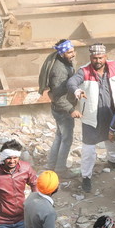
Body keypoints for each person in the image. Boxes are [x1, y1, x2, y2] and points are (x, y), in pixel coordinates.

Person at [66, 43, 115, 193]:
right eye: (94, 58)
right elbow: (71, 83)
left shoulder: (113, 66)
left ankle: (113, 160)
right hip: (92, 117)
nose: (97, 61)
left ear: (105, 57)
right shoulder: (84, 71)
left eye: (100, 57)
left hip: (111, 113)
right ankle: (86, 176)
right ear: (90, 57)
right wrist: (77, 91)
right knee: (89, 149)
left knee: (112, 139)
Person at [38, 39, 77, 173]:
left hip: (59, 108)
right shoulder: (60, 71)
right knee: (66, 140)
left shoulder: (62, 60)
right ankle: (61, 169)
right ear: (62, 54)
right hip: (63, 110)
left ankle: (51, 165)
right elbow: (58, 97)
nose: (73, 54)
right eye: (69, 52)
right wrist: (71, 110)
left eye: (73, 51)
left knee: (59, 137)